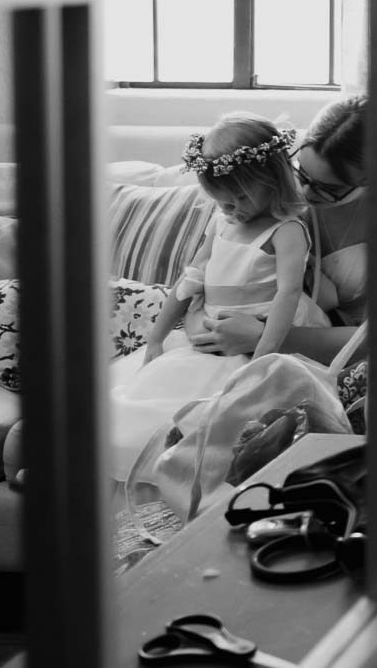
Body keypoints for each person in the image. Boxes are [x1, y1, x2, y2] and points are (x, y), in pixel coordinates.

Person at [110, 113, 331, 480]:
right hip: (208, 334)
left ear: (271, 181)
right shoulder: (223, 219)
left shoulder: (287, 230)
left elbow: (287, 294)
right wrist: (156, 338)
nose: (231, 209)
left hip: (259, 336)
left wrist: (261, 364)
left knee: (217, 414)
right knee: (139, 396)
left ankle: (189, 477)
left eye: (240, 198)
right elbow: (190, 279)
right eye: (221, 201)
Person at [185, 95, 368, 365]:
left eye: (329, 188)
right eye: (301, 172)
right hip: (235, 344)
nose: (305, 192)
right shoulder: (262, 198)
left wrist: (262, 336)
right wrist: (209, 326)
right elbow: (203, 282)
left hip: (342, 355)